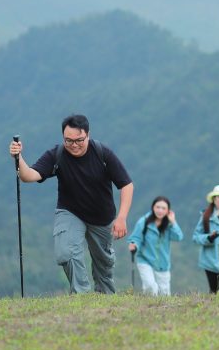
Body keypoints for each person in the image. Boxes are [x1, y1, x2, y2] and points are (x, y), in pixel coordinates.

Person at [8, 114, 133, 294]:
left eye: (79, 140)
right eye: (68, 140)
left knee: (104, 265)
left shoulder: (102, 153)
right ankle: (81, 295)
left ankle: (106, 298)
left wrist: (121, 217)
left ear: (88, 135)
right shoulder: (57, 154)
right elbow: (29, 176)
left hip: (102, 217)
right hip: (70, 212)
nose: (74, 145)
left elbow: (126, 185)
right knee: (66, 253)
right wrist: (18, 157)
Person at [127, 196, 184, 296]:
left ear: (168, 211)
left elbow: (178, 237)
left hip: (163, 263)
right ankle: (148, 305)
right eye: (158, 207)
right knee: (150, 286)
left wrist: (173, 222)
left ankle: (161, 306)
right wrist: (134, 244)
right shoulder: (144, 221)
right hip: (145, 260)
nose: (160, 210)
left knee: (164, 293)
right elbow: (136, 237)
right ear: (153, 207)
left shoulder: (169, 224)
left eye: (163, 208)